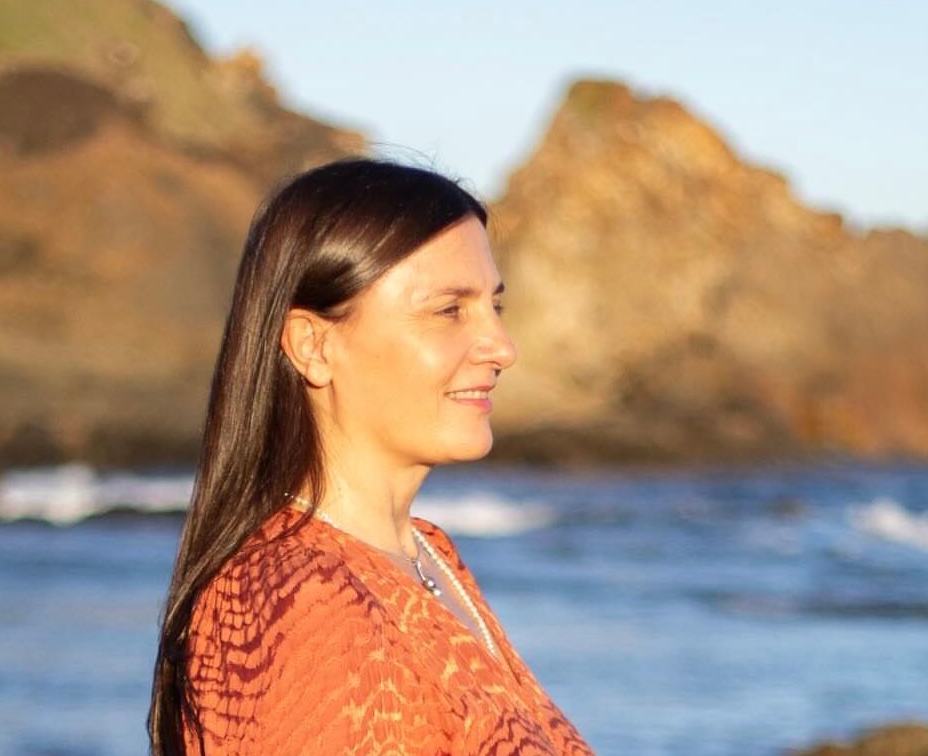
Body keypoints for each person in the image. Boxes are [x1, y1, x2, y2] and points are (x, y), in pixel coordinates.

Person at [149, 157, 595, 756]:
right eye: (448, 310)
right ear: (314, 345)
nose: (501, 347)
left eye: (495, 306)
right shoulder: (299, 600)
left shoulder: (430, 557)